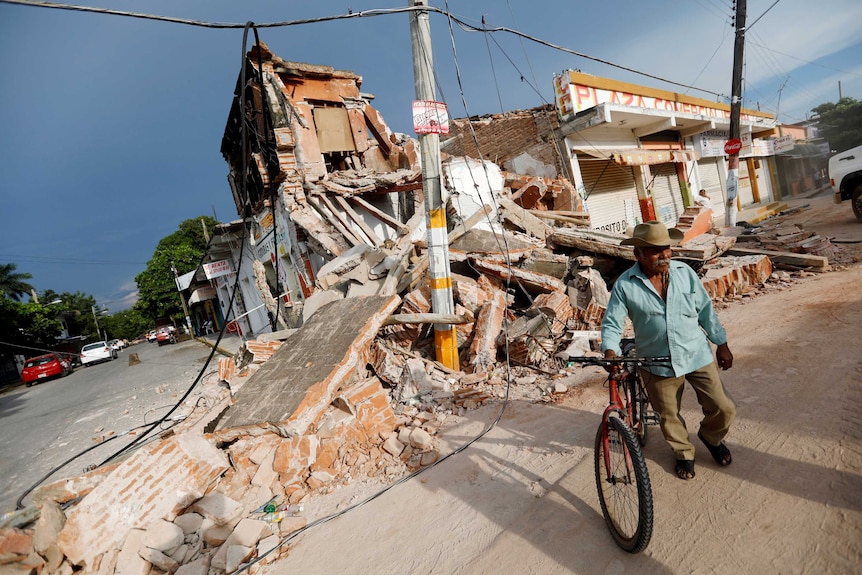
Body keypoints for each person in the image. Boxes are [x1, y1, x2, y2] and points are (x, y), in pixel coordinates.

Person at [601, 220, 736, 480]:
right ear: (637, 254)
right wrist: (610, 350)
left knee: (724, 406)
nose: (663, 255)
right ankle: (684, 454)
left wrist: (722, 343)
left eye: (666, 248)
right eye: (654, 250)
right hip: (656, 361)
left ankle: (710, 437)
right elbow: (612, 322)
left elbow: (706, 311)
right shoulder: (625, 285)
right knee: (669, 416)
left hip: (695, 353)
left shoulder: (685, 273)